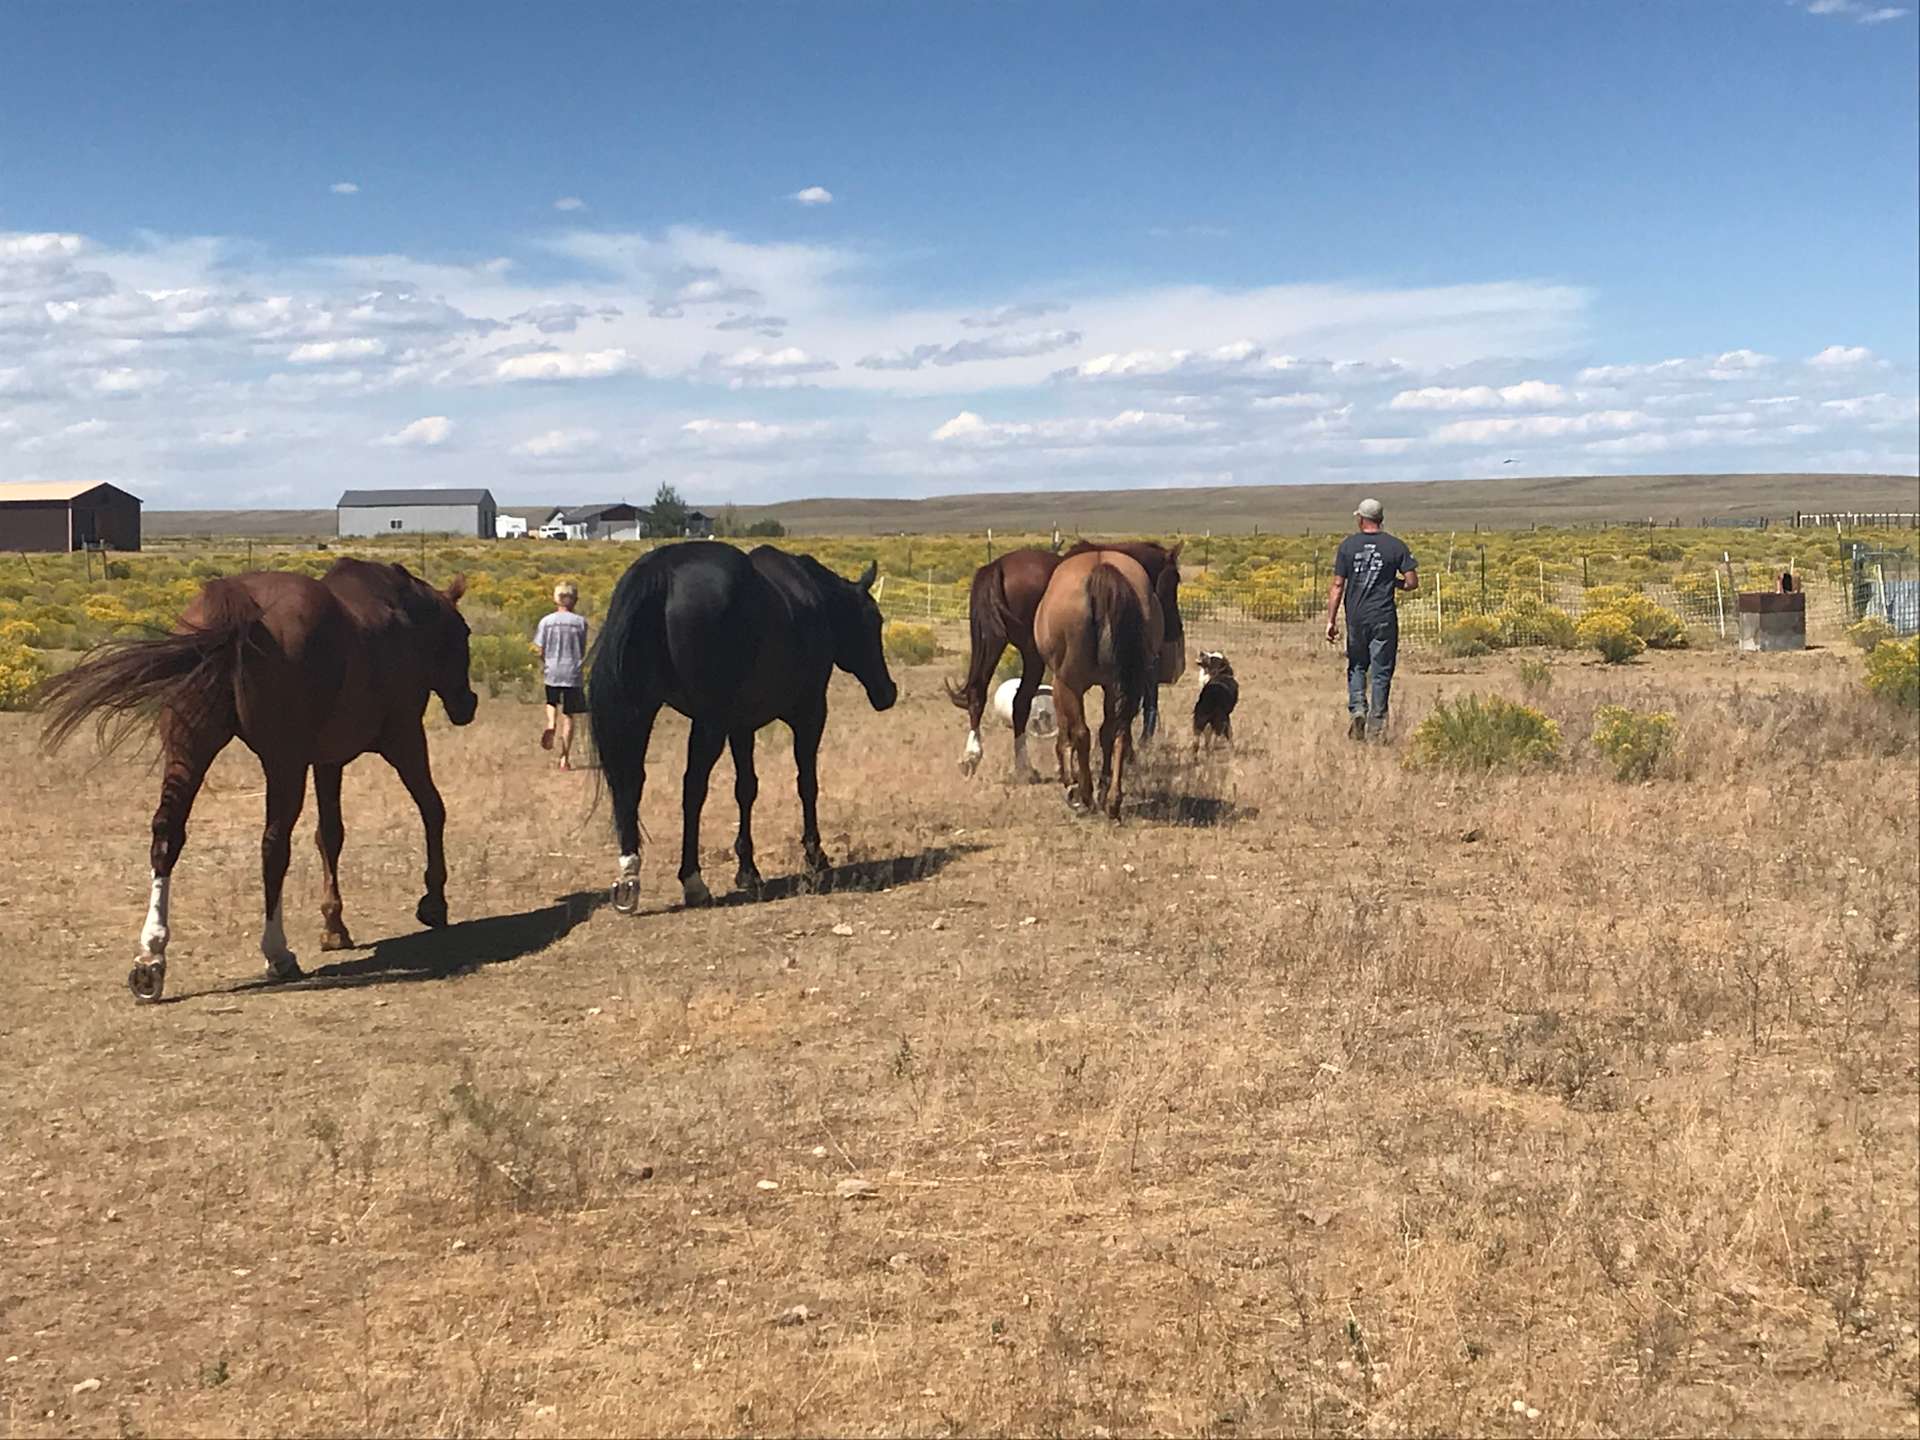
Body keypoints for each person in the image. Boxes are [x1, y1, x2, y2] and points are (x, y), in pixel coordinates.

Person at [1323, 498, 1418, 741]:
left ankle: (1357, 709)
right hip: (1383, 616)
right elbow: (1411, 582)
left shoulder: (1348, 546)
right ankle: (1376, 724)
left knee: (1357, 665)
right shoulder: (1396, 546)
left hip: (1356, 617)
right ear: (1380, 519)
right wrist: (1392, 582)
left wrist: (1331, 620)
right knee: (1381, 670)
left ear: (1361, 519)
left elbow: (1337, 585)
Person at [534, 581, 589, 769]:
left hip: (552, 670)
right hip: (573, 671)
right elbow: (582, 648)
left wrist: (546, 662)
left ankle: (551, 724)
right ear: (575, 600)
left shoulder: (546, 621)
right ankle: (564, 758)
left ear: (556, 599)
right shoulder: (580, 622)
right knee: (569, 714)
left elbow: (540, 649)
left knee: (551, 702)